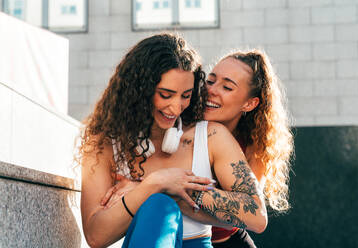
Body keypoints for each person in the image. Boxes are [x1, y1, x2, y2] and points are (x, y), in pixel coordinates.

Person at [78, 33, 267, 248]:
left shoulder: (211, 136)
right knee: (157, 207)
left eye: (186, 96)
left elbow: (257, 216)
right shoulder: (103, 144)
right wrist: (153, 185)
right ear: (140, 91)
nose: (176, 108)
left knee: (160, 203)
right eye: (166, 95)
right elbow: (96, 237)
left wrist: (168, 188)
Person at [204, 50, 293, 247]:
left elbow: (250, 215)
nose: (211, 90)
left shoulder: (256, 145)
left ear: (249, 103)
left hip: (228, 241)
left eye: (227, 87)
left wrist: (191, 198)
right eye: (210, 81)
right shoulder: (182, 127)